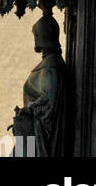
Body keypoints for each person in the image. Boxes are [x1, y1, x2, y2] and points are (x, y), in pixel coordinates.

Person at [11, 11, 66, 157]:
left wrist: (28, 109)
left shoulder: (50, 66)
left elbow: (49, 104)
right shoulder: (51, 63)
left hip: (40, 140)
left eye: (36, 35)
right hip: (32, 135)